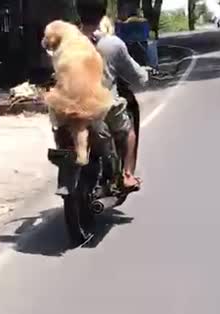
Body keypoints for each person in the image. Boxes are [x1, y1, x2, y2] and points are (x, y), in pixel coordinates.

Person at [77, 0, 148, 190]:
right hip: (102, 106)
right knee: (128, 132)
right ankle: (127, 175)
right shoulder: (113, 44)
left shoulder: (66, 42)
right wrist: (145, 75)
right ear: (102, 16)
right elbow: (137, 76)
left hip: (70, 105)